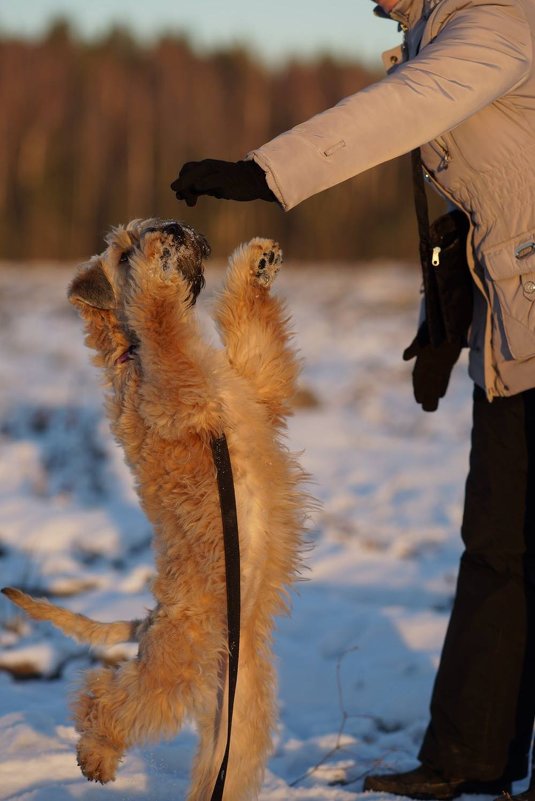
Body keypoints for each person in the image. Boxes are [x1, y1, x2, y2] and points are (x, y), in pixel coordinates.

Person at [171, 0, 535, 798]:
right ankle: (469, 755)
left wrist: (266, 173)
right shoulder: (439, 31)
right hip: (514, 321)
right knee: (497, 543)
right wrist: (450, 300)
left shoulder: (498, 21)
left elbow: (405, 108)